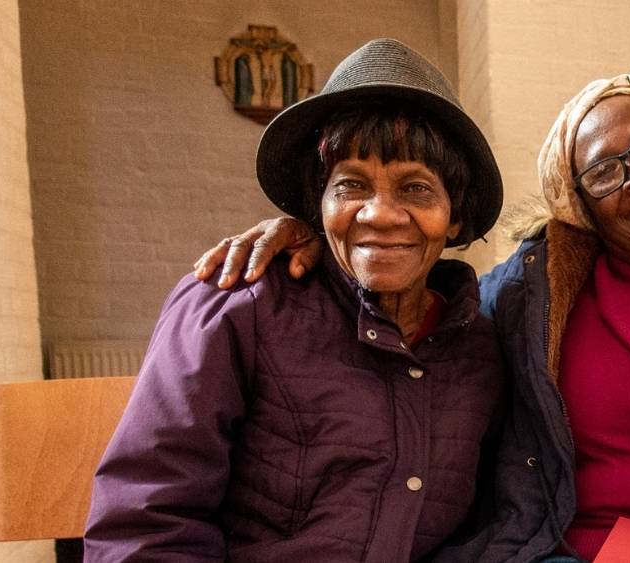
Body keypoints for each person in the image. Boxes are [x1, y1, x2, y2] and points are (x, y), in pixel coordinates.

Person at [196, 66, 630, 562]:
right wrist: (318, 232)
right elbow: (408, 269)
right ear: (580, 207)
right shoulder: (530, 299)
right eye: (606, 170)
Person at [83, 39, 506, 562]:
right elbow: (145, 528)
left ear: (456, 216)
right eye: (351, 185)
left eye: (416, 189)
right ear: (318, 205)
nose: (379, 214)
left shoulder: (481, 349)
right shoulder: (237, 307)